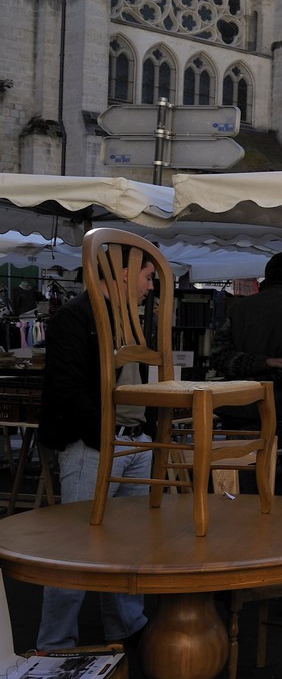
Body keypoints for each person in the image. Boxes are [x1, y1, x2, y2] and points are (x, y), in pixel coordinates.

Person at [35, 255, 157, 649]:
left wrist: (142, 434)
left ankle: (126, 624)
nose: (151, 285)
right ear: (124, 273)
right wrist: (106, 436)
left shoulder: (129, 317)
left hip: (132, 441)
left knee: (129, 543)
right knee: (76, 545)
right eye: (147, 275)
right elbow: (67, 391)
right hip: (98, 443)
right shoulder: (74, 317)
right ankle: (56, 644)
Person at [210, 250, 282, 492]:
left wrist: (259, 363)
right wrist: (272, 366)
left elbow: (218, 357)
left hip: (239, 410)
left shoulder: (238, 308)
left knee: (240, 487)